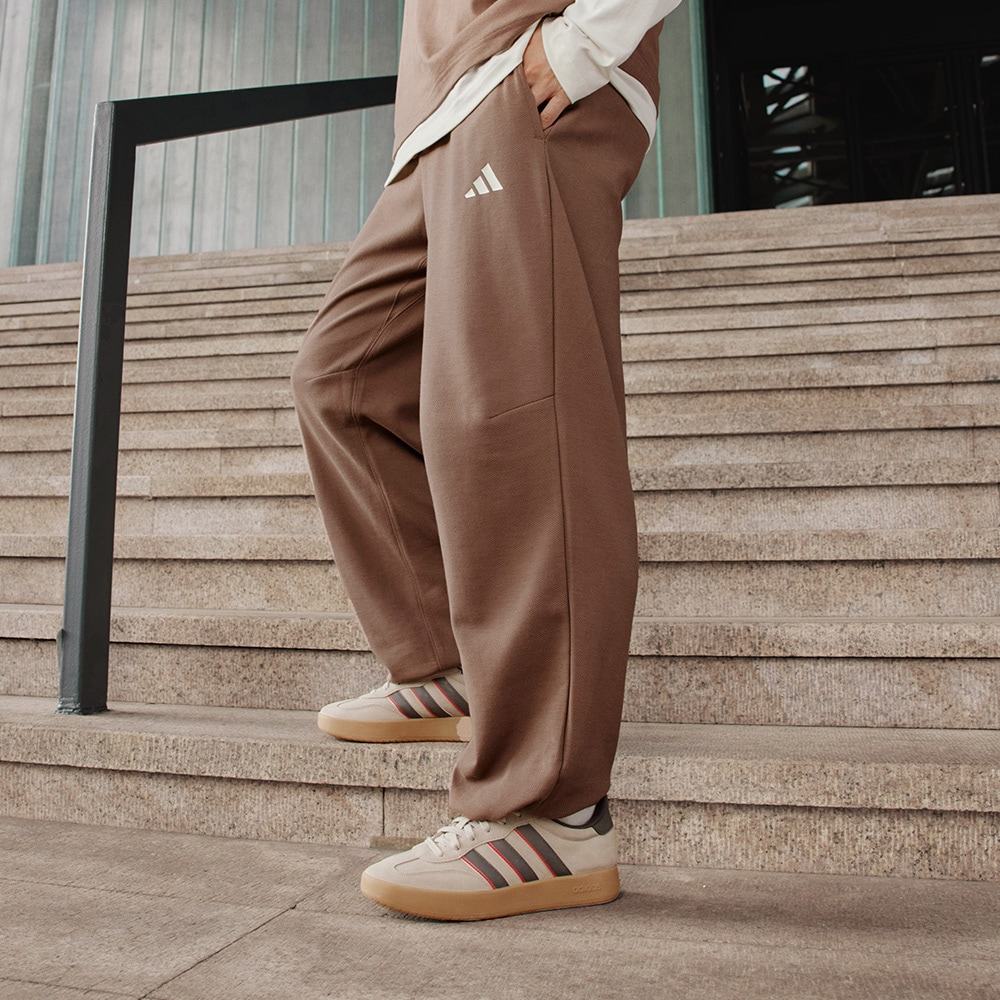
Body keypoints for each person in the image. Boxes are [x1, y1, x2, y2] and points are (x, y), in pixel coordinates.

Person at [290, 0, 685, 921]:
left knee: (520, 429)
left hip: (528, 79)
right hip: (441, 114)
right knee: (343, 379)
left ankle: (554, 811)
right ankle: (448, 664)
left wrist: (585, 43)